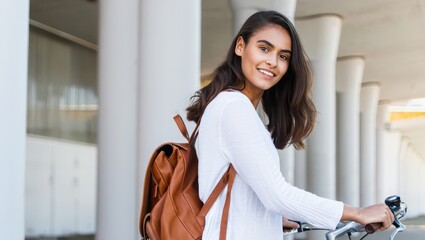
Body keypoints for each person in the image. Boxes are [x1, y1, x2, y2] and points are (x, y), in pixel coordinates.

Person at [186, 10, 394, 239]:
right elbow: (278, 195)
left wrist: (267, 218)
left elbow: (237, 190)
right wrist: (357, 213)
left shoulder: (233, 107)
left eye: (283, 56)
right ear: (240, 47)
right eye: (264, 48)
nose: (272, 62)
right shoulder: (234, 108)